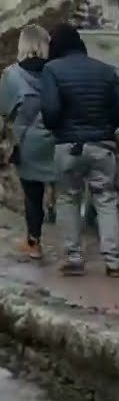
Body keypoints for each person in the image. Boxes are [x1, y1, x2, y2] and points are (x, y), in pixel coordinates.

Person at [39, 23, 119, 277]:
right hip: (103, 145)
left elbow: (50, 110)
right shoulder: (106, 70)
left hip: (68, 147)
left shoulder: (52, 70)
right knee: (106, 199)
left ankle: (74, 258)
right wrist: (106, 126)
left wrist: (59, 128)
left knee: (68, 198)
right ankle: (113, 262)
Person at [0, 25, 56, 260]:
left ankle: (34, 242)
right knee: (65, 191)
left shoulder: (12, 74)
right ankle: (74, 247)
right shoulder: (56, 71)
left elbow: (4, 110)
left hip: (28, 143)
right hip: (57, 141)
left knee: (32, 195)